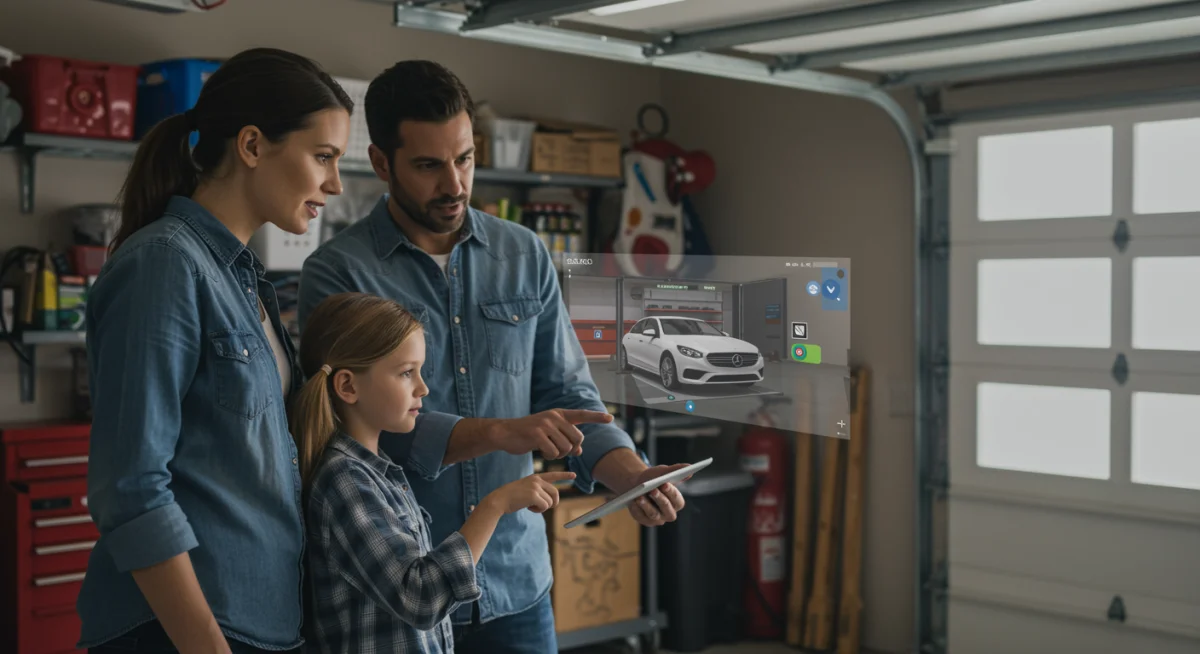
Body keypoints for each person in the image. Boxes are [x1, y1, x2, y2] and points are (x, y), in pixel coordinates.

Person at [297, 59, 689, 653]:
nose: (454, 184)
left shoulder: (524, 253)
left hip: (515, 583)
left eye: (465, 159)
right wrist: (501, 432)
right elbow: (354, 430)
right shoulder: (338, 273)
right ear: (381, 163)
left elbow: (568, 397)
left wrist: (630, 477)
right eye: (429, 166)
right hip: (401, 598)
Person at [78, 48, 352, 654]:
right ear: (252, 146)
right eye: (324, 157)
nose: (335, 184)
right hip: (183, 632)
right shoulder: (164, 264)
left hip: (262, 623)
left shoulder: (245, 278)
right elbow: (131, 489)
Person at [290, 291, 577, 653]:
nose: (423, 388)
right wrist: (495, 505)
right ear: (348, 386)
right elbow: (420, 596)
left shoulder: (375, 472)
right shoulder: (345, 481)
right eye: (406, 373)